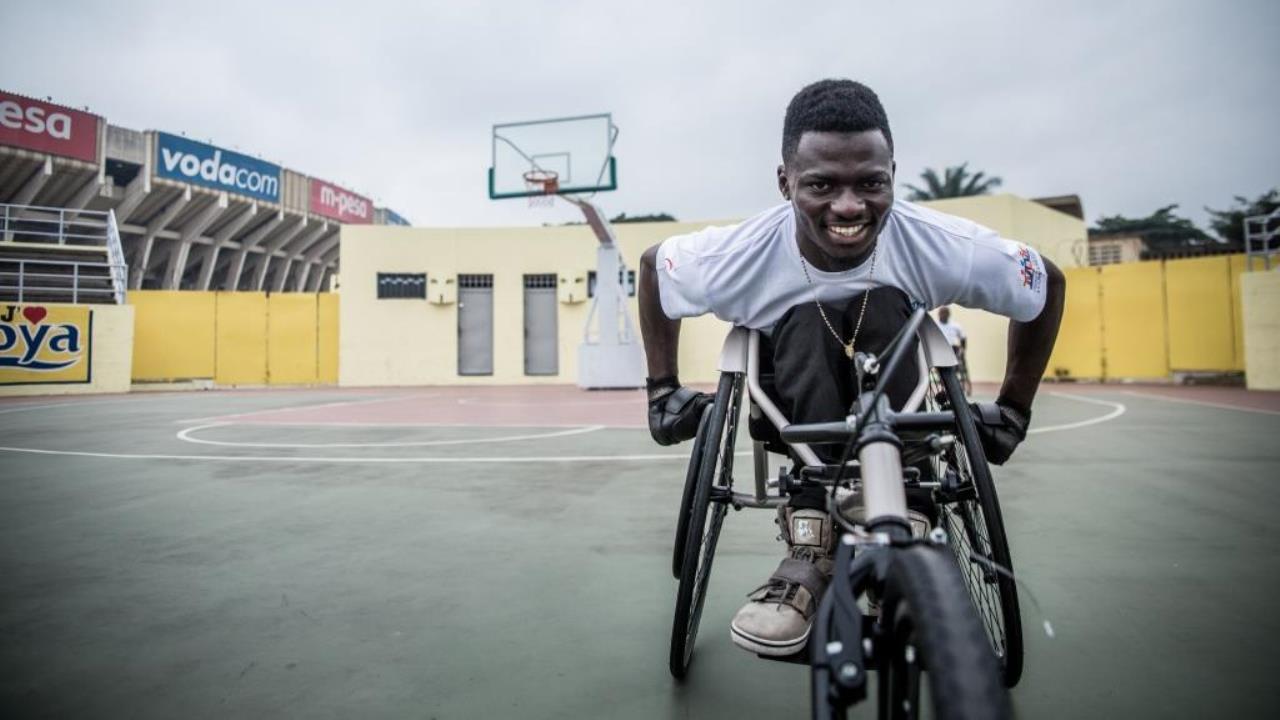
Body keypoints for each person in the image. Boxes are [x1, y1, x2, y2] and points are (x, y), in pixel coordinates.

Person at [637, 79, 1065, 657]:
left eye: (870, 183)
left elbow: (1046, 283)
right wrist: (661, 391)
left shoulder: (939, 244)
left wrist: (1014, 409)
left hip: (900, 405)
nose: (847, 206)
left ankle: (907, 512)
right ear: (785, 182)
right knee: (806, 316)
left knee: (892, 305)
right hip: (790, 402)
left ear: (893, 173)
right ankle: (812, 538)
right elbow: (653, 270)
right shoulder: (735, 256)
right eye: (820, 185)